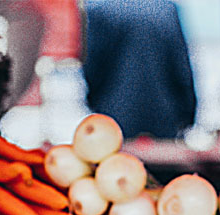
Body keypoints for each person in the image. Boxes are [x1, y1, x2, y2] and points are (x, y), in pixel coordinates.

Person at [83, 0, 196, 139]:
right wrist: (188, 114)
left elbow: (92, 68)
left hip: (113, 118)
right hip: (164, 117)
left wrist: (93, 103)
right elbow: (181, 70)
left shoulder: (99, 10)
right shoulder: (167, 10)